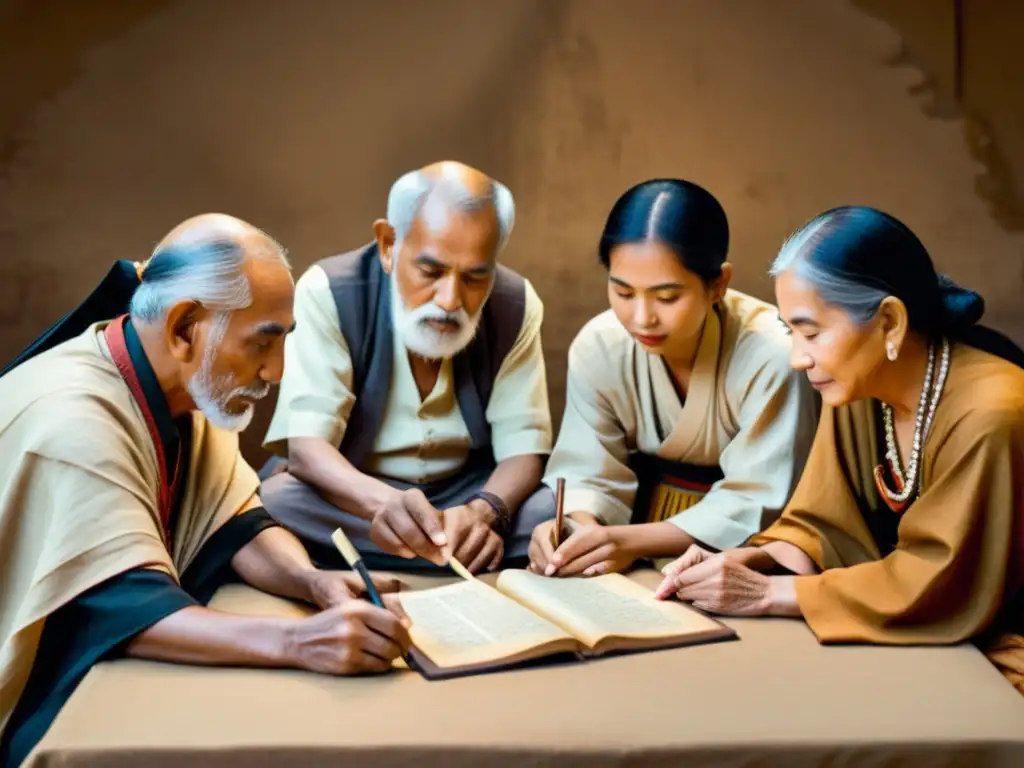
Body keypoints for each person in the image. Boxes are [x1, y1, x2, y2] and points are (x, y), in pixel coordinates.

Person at [0, 214, 412, 768]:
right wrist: (298, 643)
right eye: (263, 342)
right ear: (185, 327)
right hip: (38, 689)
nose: (276, 370)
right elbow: (121, 607)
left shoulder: (186, 385)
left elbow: (236, 521)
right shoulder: (71, 417)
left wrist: (311, 581)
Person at [655, 205, 1024, 696]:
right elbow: (823, 523)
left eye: (811, 333)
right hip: (902, 617)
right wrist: (747, 563)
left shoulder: (994, 411)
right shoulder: (857, 382)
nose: (797, 357)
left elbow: (946, 581)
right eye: (791, 333)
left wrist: (770, 595)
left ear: (889, 322)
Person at [260, 161, 555, 574]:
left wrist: (484, 512)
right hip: (359, 498)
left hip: (467, 497)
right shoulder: (328, 290)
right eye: (431, 271)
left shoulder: (517, 303)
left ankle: (435, 547)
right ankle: (453, 554)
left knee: (549, 511)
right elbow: (308, 451)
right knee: (274, 503)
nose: (451, 299)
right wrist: (388, 505)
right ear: (387, 244)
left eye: (474, 278)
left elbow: (524, 452)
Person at [528, 179, 819, 577]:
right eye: (623, 292)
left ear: (718, 284)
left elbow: (758, 496)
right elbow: (587, 471)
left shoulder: (773, 351)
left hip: (740, 544)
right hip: (630, 528)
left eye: (666, 297)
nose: (642, 317)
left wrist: (625, 542)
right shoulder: (600, 345)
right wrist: (584, 535)